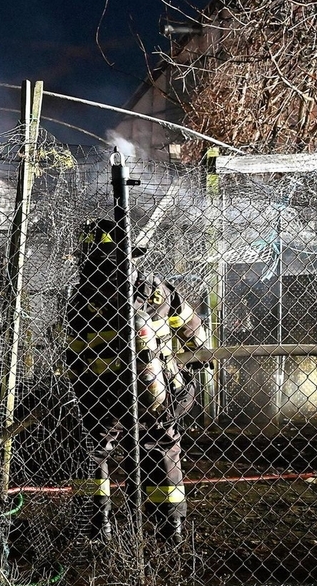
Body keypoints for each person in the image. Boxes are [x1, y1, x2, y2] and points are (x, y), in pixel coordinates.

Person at [65, 218, 211, 543]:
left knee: (92, 449)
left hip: (102, 397)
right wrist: (196, 359)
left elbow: (74, 358)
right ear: (131, 254)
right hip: (159, 395)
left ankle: (96, 525)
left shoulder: (81, 302)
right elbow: (193, 332)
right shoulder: (157, 291)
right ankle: (168, 527)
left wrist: (83, 395)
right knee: (161, 445)